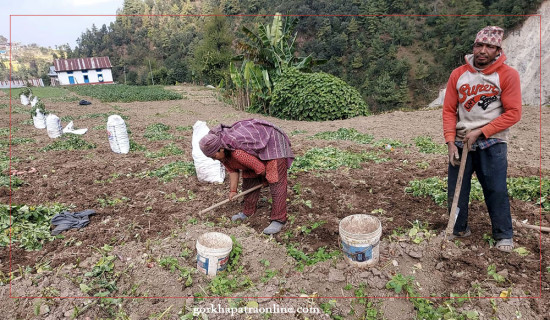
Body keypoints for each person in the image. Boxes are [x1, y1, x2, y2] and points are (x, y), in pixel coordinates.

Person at [442, 26, 522, 252]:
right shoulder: (458, 74)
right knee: (457, 188)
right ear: (473, 47)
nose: (483, 50)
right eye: (479, 45)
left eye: (489, 46)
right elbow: (449, 110)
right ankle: (458, 229)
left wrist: (482, 131)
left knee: (495, 189)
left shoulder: (507, 75)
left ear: (498, 50)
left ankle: (503, 235)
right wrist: (450, 141)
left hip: (492, 141)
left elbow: (513, 112)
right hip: (461, 140)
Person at [199, 119, 294, 235]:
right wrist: (233, 191)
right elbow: (232, 170)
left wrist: (266, 180)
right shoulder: (223, 153)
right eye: (211, 157)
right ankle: (248, 212)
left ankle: (279, 219)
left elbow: (260, 168)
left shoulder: (237, 153)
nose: (214, 159)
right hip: (256, 150)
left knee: (275, 179)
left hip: (273, 143)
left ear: (221, 149)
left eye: (214, 156)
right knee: (249, 179)